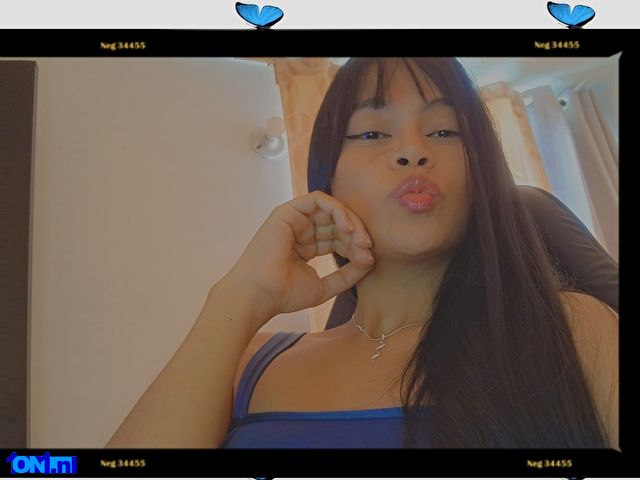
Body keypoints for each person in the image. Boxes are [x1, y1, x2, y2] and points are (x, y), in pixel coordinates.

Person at [106, 58, 618, 449]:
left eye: (444, 131)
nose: (413, 151)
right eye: (373, 133)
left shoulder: (576, 330)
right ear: (327, 179)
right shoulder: (248, 363)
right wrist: (241, 295)